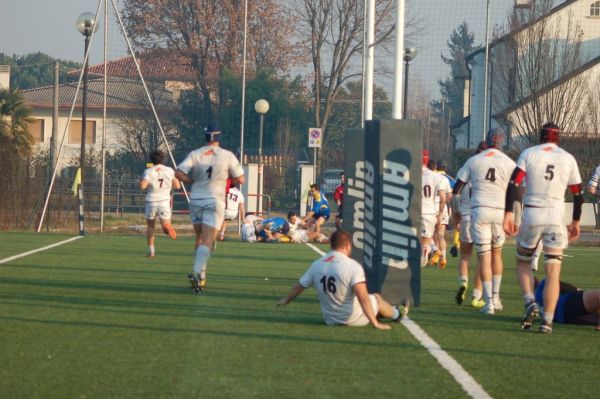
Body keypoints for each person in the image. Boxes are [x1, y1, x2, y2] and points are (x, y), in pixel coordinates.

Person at [503, 122, 583, 333]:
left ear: (540, 137)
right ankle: (547, 321)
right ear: (558, 138)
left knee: (523, 263)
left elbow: (514, 184)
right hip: (556, 216)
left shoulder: (529, 154)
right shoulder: (568, 158)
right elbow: (578, 193)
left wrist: (508, 213)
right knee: (553, 272)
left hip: (532, 213)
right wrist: (575, 222)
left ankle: (530, 301)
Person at [277, 231, 405, 329]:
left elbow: (300, 286)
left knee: (369, 300)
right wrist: (375, 323)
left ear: (331, 245)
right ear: (348, 246)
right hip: (351, 318)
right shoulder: (352, 265)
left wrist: (286, 299)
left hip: (329, 319)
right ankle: (397, 314)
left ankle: (382, 312)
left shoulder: (317, 264)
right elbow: (363, 297)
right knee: (376, 298)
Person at [453, 128, 516, 315]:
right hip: (499, 212)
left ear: (487, 141)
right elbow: (517, 192)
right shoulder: (509, 163)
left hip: (479, 211)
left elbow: (456, 189)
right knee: (497, 254)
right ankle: (495, 298)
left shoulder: (474, 160)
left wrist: (456, 211)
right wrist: (514, 216)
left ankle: (488, 303)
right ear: (502, 142)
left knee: (484, 257)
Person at [175, 123, 245, 293]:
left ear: (205, 137)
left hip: (197, 199)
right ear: (219, 137)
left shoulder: (196, 154)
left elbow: (178, 172)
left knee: (199, 236)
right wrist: (225, 180)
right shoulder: (227, 156)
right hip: (215, 201)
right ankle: (198, 272)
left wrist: (191, 181)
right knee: (209, 239)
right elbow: (241, 179)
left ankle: (201, 276)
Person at [452, 142, 487, 308]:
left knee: (465, 256)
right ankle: (476, 296)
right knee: (482, 258)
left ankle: (463, 283)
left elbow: (455, 193)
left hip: (466, 217)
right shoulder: (487, 173)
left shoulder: (466, 169)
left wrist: (456, 213)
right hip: (481, 217)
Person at [139, 149, 181, 257]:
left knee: (150, 226)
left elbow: (142, 186)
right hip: (164, 201)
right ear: (163, 159)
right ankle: (168, 228)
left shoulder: (148, 171)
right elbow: (177, 186)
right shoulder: (169, 170)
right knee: (165, 227)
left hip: (151, 201)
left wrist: (142, 181)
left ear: (151, 160)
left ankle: (151, 250)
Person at [534, 278, 600, 331]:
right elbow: (565, 287)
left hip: (566, 319)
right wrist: (579, 290)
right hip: (568, 302)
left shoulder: (535, 305)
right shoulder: (543, 284)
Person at [421, 150, 446, 267]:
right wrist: (440, 213)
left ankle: (431, 249)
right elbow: (443, 198)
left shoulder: (412, 173)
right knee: (427, 238)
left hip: (415, 210)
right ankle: (429, 250)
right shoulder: (436, 176)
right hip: (430, 212)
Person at [432, 160, 454, 268]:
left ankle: (436, 255)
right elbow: (450, 196)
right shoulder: (447, 179)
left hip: (431, 208)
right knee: (441, 235)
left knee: (432, 235)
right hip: (443, 208)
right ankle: (443, 258)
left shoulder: (430, 177)